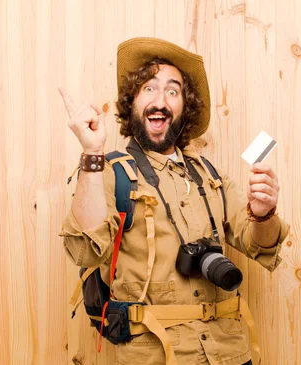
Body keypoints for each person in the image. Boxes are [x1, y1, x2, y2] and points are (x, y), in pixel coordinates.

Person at [59, 37, 289, 365]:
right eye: (148, 89)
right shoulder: (107, 172)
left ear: (184, 106)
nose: (160, 101)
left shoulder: (211, 175)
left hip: (230, 353)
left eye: (172, 90)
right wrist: (92, 154)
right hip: (156, 356)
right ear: (132, 102)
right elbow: (83, 250)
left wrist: (264, 214)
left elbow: (261, 247)